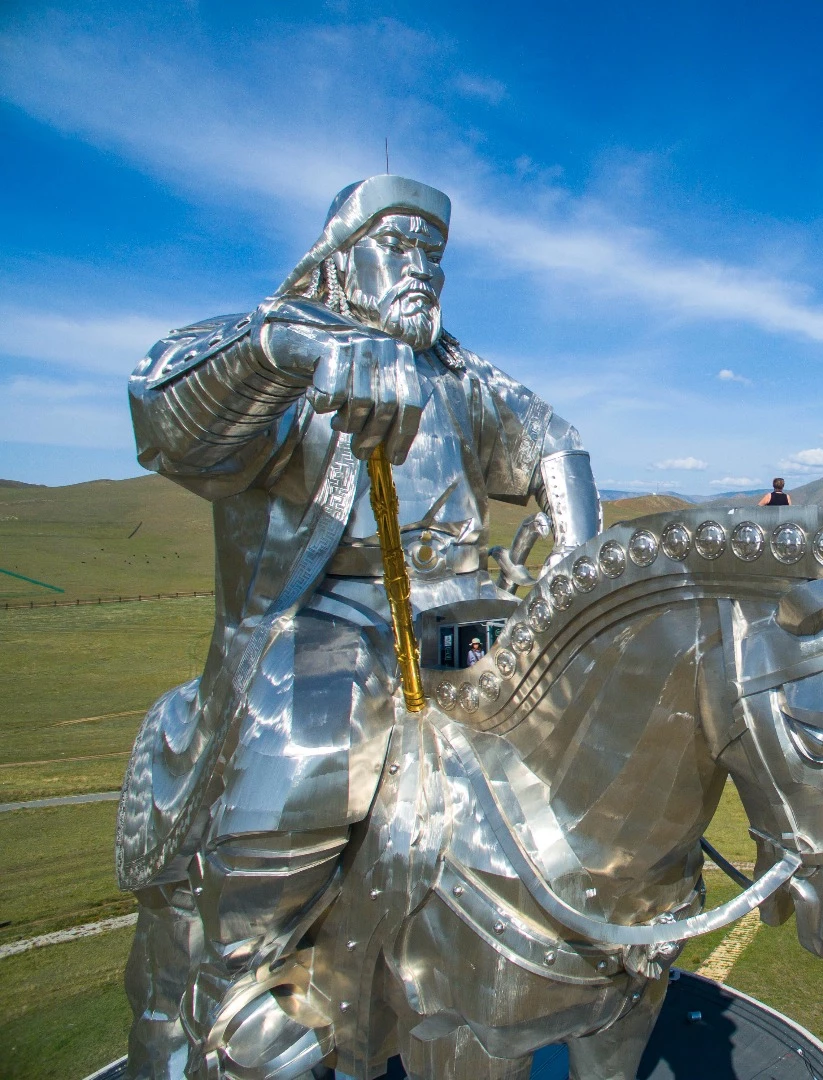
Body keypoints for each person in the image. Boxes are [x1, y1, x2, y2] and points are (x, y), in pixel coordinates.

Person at [117, 175, 604, 1080]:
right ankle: (240, 983)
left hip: (457, 614)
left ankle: (610, 918)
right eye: (399, 246)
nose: (423, 269)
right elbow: (163, 418)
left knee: (589, 704)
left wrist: (577, 540)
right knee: (315, 734)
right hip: (336, 612)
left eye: (435, 254)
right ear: (342, 259)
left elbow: (549, 436)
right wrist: (287, 351)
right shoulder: (287, 355)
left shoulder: (459, 372)